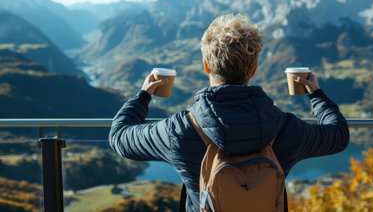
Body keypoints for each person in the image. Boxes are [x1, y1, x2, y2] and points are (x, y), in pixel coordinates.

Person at [109, 14, 349, 212]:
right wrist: (316, 95)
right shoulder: (286, 128)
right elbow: (338, 135)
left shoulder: (180, 130)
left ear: (205, 66)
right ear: (253, 70)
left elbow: (119, 137)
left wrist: (143, 96)